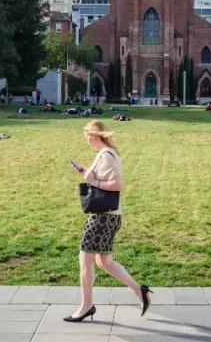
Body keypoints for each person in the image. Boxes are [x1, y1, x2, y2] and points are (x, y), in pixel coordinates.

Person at [68, 120, 151, 323]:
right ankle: (139, 291)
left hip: (103, 217)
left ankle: (87, 306)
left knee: (85, 259)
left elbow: (116, 184)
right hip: (108, 215)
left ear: (94, 135)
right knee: (104, 262)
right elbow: (103, 179)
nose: (86, 140)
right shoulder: (105, 153)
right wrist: (87, 174)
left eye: (87, 136)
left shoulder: (107, 154)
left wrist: (92, 181)